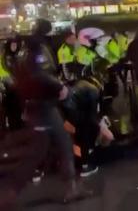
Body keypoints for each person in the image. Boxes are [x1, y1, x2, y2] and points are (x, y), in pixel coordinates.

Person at [14, 19, 91, 202]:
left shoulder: (27, 48)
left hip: (37, 104)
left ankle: (13, 190)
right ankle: (71, 187)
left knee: (42, 148)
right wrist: (58, 87)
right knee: (63, 144)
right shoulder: (37, 48)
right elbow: (40, 74)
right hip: (44, 105)